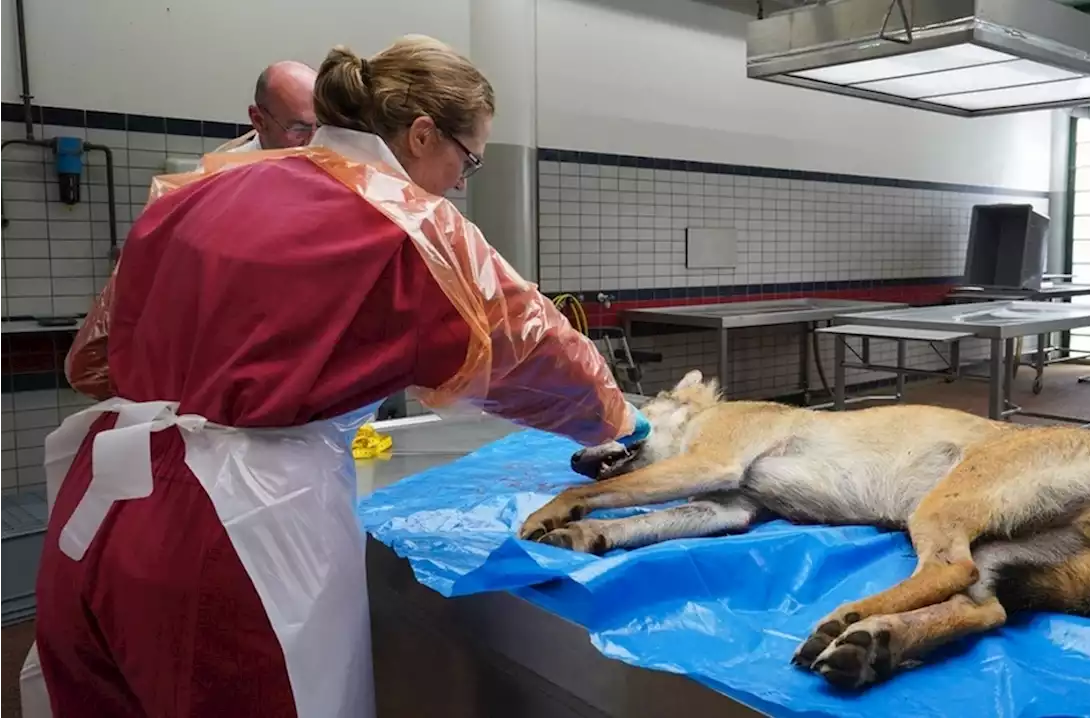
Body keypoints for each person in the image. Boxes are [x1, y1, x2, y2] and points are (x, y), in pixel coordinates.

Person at [33, 35, 648, 718]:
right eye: (466, 159)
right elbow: (532, 349)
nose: (460, 182)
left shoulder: (197, 188)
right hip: (231, 536)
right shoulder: (405, 223)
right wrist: (621, 419)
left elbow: (89, 361)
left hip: (93, 516)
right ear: (421, 134)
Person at [215, 60, 318, 152]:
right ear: (259, 120)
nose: (315, 142)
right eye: (299, 128)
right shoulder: (226, 170)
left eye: (320, 126)